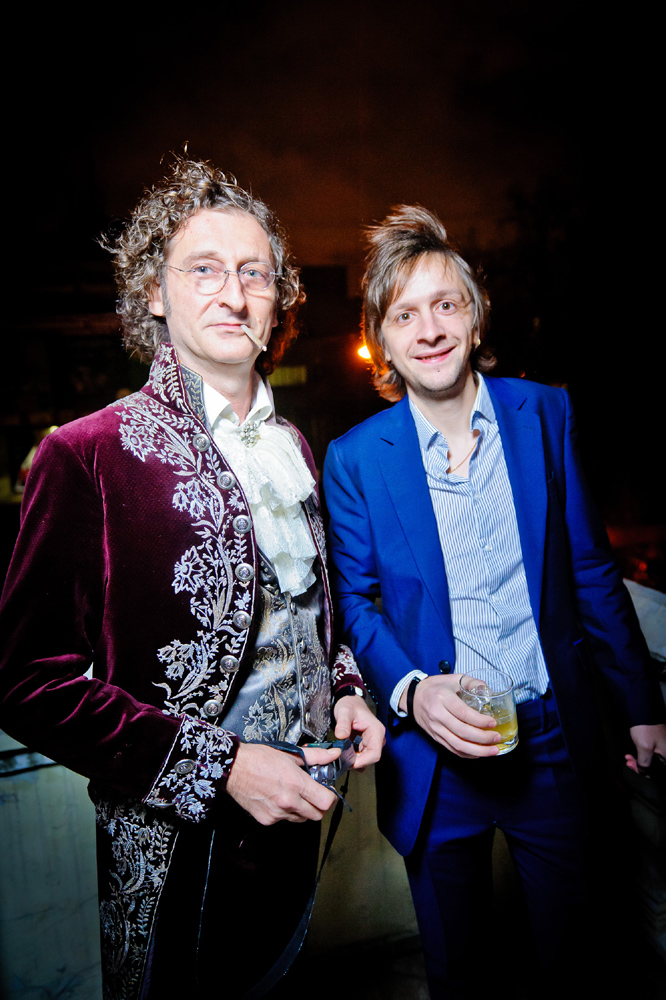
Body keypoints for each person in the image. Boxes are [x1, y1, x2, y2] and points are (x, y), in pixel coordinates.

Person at [0, 158, 384, 1000]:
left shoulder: (292, 446)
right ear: (153, 291)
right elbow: (24, 682)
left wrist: (348, 689)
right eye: (203, 269)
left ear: (278, 299)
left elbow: (310, 616)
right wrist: (223, 768)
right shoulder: (85, 453)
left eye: (255, 273)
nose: (233, 294)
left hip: (300, 822)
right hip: (177, 853)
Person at [322, 204, 666, 998]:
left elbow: (590, 570)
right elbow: (357, 604)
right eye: (405, 315)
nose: (430, 329)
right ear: (383, 341)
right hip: (435, 765)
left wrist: (641, 705)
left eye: (445, 304)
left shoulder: (544, 412)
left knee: (580, 963)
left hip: (552, 741)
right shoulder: (355, 459)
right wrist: (413, 692)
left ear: (475, 316)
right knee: (461, 974)